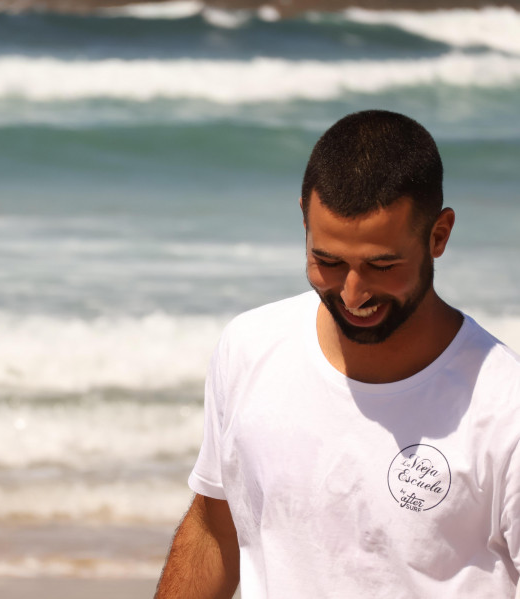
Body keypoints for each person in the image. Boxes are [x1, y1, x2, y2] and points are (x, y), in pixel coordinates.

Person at [155, 110, 520, 598]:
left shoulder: (504, 408)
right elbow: (215, 531)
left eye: (381, 265)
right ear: (303, 218)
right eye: (327, 261)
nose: (352, 294)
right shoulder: (250, 347)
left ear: (438, 235)